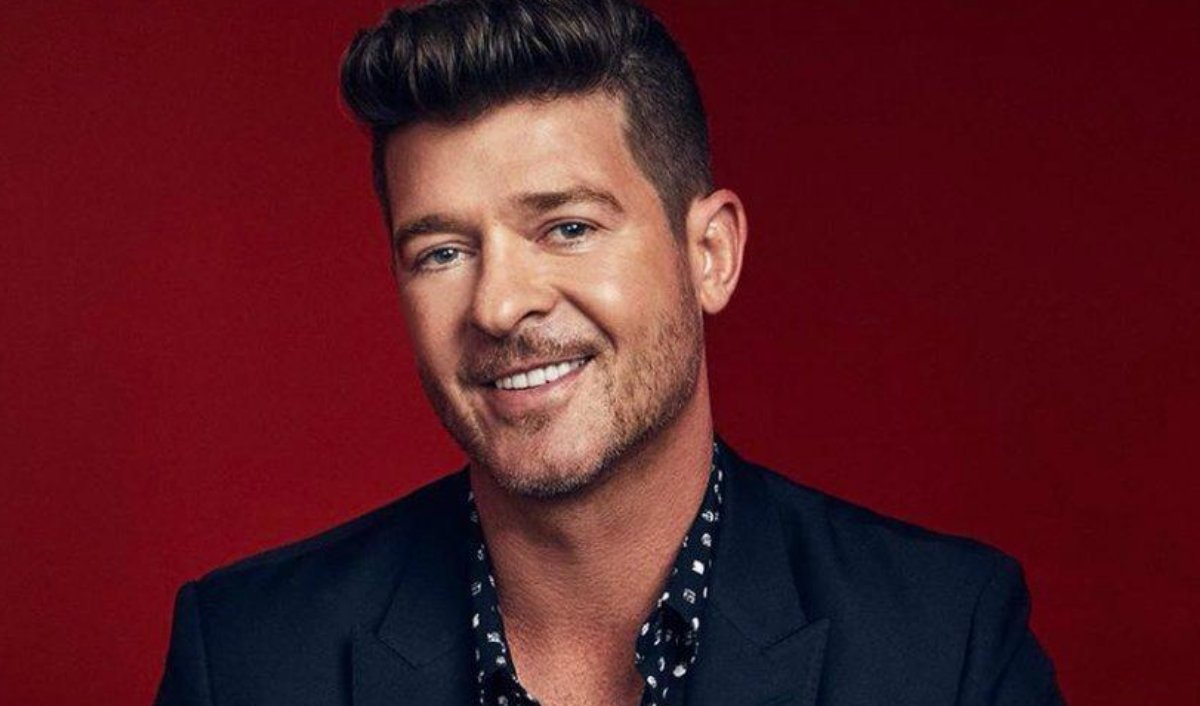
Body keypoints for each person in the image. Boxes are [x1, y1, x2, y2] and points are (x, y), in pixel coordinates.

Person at [154, 1, 1065, 704]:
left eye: (568, 227)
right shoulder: (247, 657)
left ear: (709, 255)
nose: (500, 304)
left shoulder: (946, 645)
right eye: (442, 252)